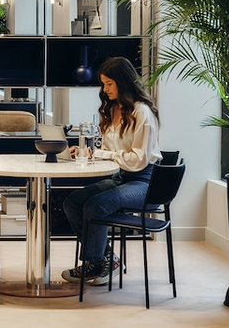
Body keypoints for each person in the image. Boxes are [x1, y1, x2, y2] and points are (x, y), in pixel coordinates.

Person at [60, 56, 162, 286]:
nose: (105, 90)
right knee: (73, 202)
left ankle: (94, 264)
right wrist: (88, 153)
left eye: (109, 84)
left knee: (97, 205)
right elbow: (108, 151)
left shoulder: (141, 113)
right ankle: (108, 259)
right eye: (103, 84)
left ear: (123, 82)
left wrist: (102, 154)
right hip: (121, 178)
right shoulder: (114, 110)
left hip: (144, 183)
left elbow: (137, 162)